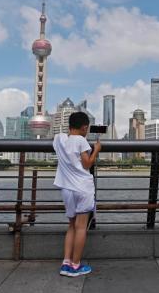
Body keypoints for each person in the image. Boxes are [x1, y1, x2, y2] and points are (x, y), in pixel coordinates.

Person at [53, 112, 101, 277]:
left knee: (71, 226)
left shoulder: (59, 139)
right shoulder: (81, 140)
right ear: (84, 127)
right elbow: (87, 164)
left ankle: (66, 263)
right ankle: (75, 265)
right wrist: (96, 150)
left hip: (67, 189)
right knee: (81, 227)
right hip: (82, 188)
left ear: (69, 125)